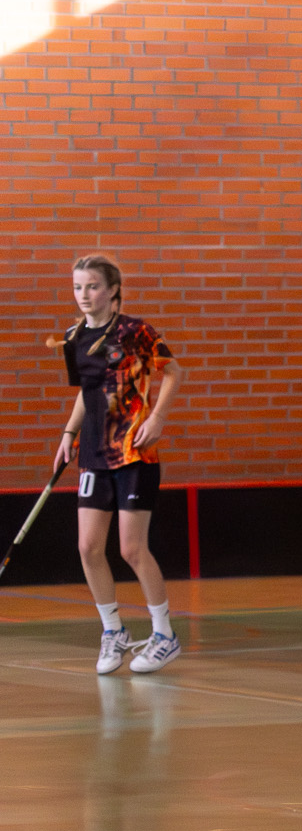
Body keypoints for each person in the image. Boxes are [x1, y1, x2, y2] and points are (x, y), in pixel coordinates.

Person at [50, 255, 184, 675]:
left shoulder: (135, 331)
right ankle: (114, 631)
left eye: (92, 286)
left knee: (131, 548)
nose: (83, 294)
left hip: (133, 452)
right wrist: (68, 434)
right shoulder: (74, 337)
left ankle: (164, 635)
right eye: (77, 287)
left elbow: (173, 372)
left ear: (112, 291)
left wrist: (157, 419)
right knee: (88, 547)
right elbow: (86, 393)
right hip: (93, 453)